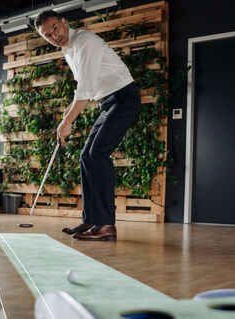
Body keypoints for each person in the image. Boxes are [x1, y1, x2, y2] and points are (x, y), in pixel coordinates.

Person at [34, 10, 141, 241]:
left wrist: (67, 121)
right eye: (47, 36)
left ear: (64, 22)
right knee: (86, 156)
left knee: (98, 154)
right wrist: (68, 114)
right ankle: (91, 220)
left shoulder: (84, 42)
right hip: (108, 102)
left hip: (124, 99)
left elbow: (85, 89)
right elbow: (84, 89)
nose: (54, 35)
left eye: (55, 28)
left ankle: (105, 226)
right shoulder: (68, 50)